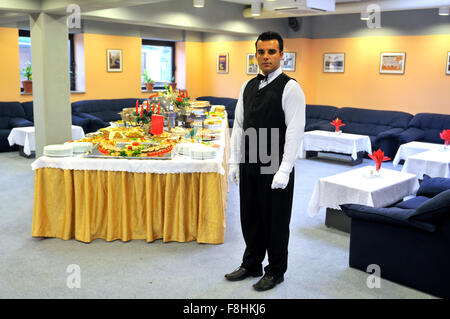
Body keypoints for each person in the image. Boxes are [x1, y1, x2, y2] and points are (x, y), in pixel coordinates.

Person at [225, 31, 305, 291]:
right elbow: (238, 126)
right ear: (255, 55)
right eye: (261, 52)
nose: (266, 56)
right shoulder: (246, 86)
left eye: (272, 52)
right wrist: (235, 162)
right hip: (249, 162)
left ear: (281, 55)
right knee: (250, 217)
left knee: (276, 222)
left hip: (274, 164)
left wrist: (285, 170)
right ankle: (251, 264)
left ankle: (275, 271)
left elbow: (294, 131)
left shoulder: (291, 88)